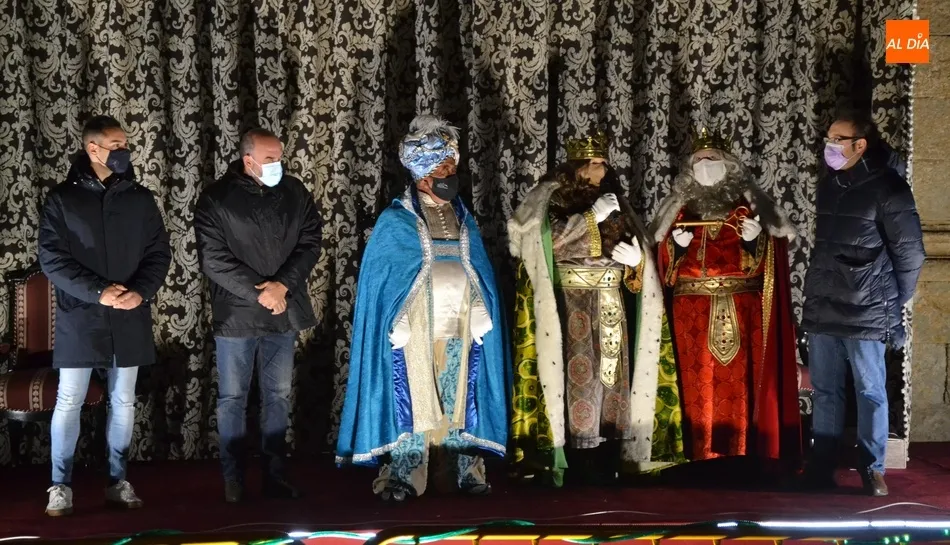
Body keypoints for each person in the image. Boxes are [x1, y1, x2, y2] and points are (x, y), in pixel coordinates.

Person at [335, 114, 511, 502]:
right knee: (414, 399)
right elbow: (386, 280)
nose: (450, 174)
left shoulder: (462, 216)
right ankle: (404, 477)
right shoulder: (396, 220)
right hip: (416, 328)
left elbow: (475, 268)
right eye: (442, 167)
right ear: (423, 173)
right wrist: (394, 319)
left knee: (458, 399)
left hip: (460, 326)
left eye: (451, 166)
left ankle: (463, 473)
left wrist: (480, 307)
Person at [507, 130, 683, 488]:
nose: (599, 169)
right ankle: (577, 462)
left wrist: (636, 263)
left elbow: (638, 251)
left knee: (612, 383)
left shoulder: (617, 202)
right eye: (591, 163)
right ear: (575, 167)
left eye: (603, 162)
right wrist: (590, 217)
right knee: (579, 383)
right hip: (572, 303)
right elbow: (545, 243)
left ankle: (610, 458)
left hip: (612, 302)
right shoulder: (550, 198)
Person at [39, 115, 172, 516]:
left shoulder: (140, 198)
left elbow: (158, 253)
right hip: (82, 315)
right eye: (116, 145)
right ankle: (60, 486)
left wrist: (140, 292)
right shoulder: (62, 199)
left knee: (123, 400)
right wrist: (99, 292)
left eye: (125, 144)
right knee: (69, 400)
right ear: (92, 148)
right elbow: (52, 260)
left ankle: (118, 481)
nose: (124, 151)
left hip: (129, 313)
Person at [650, 126, 801, 475]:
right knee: (693, 384)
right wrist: (675, 248)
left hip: (742, 308)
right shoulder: (678, 208)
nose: (705, 164)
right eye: (699, 159)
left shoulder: (750, 206)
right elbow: (661, 267)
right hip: (690, 313)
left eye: (713, 158)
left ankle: (743, 453)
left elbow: (773, 263)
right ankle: (695, 454)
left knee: (741, 384)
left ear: (729, 164)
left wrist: (755, 240)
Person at [194, 128, 322, 503]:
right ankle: (233, 479)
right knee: (232, 398)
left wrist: (282, 286)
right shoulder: (216, 198)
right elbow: (213, 260)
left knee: (277, 396)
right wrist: (261, 292)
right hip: (237, 316)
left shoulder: (295, 192)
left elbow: (310, 242)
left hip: (283, 311)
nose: (277, 165)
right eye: (269, 159)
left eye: (279, 157)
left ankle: (275, 476)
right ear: (248, 160)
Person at [799, 109, 924, 496]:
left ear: (860, 145)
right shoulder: (830, 185)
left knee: (869, 390)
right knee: (825, 390)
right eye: (828, 138)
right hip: (825, 303)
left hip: (867, 308)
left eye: (837, 139)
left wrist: (893, 300)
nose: (829, 146)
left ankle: (872, 469)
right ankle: (822, 466)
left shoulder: (889, 189)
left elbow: (910, 253)